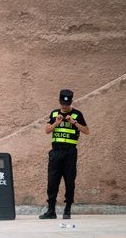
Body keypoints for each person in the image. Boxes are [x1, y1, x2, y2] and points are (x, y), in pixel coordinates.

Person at [39, 89, 90, 220]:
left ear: (71, 102)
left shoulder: (77, 114)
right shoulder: (54, 113)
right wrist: (56, 122)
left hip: (70, 153)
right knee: (52, 182)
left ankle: (67, 210)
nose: (64, 106)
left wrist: (75, 123)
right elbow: (46, 130)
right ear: (59, 102)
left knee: (69, 181)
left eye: (67, 104)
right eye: (62, 104)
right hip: (56, 152)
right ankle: (51, 210)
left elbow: (86, 131)